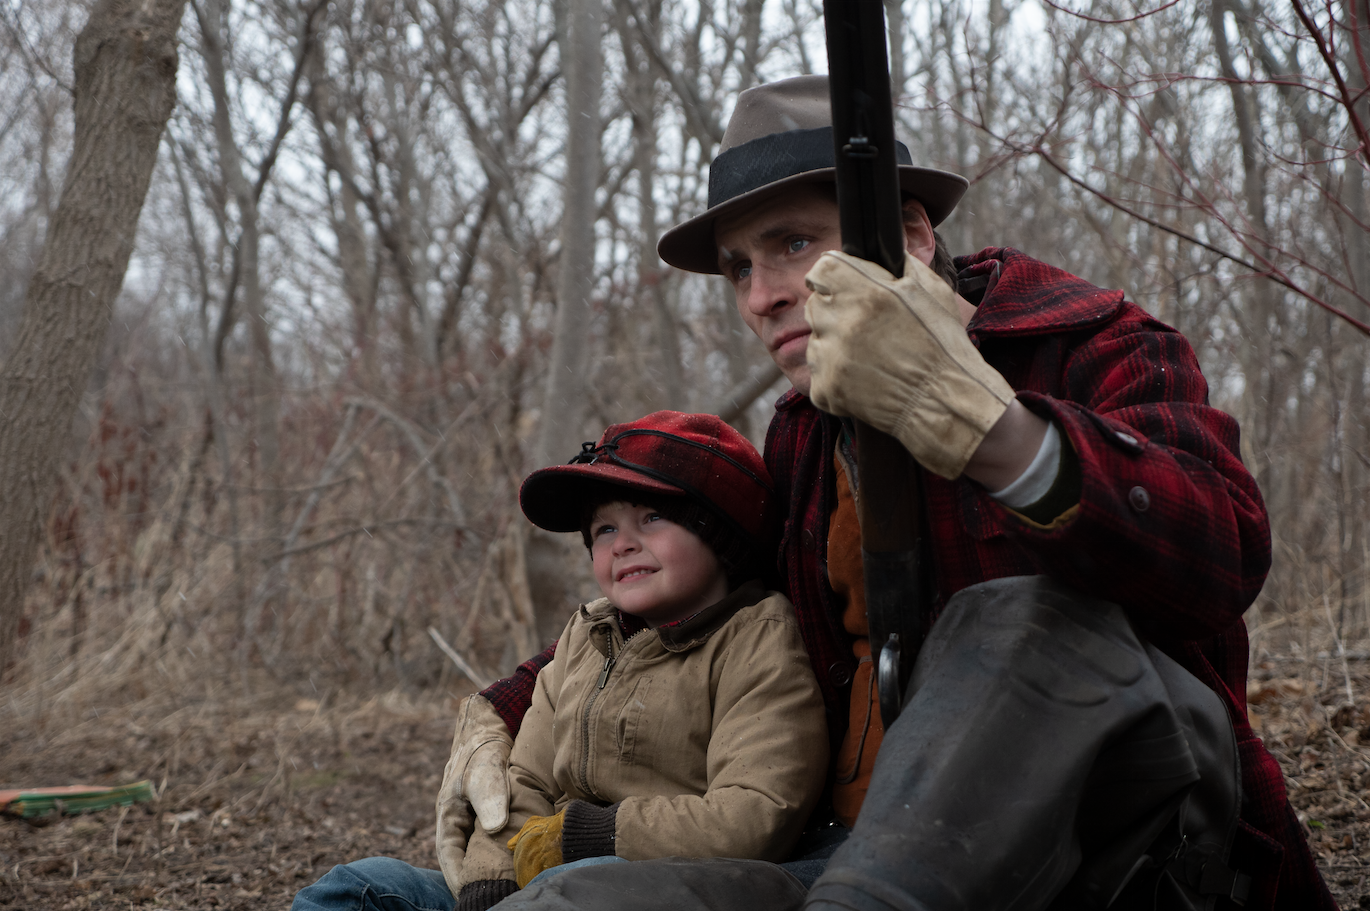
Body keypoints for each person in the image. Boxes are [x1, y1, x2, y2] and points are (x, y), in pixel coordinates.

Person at [434, 76, 1337, 911]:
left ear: (909, 235)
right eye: (740, 267)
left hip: (1115, 842)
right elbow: (700, 593)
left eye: (793, 244)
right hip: (853, 856)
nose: (761, 294)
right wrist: (501, 709)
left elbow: (1223, 553)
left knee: (1016, 618)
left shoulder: (1093, 343)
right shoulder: (800, 432)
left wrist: (994, 432)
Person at [292, 411, 828, 911]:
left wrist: (586, 834)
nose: (623, 544)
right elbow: (527, 777)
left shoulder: (758, 638)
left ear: (722, 535)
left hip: (661, 884)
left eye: (654, 516)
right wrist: (493, 876)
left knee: (572, 887)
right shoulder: (587, 635)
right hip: (545, 881)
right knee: (357, 887)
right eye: (605, 530)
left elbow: (756, 813)